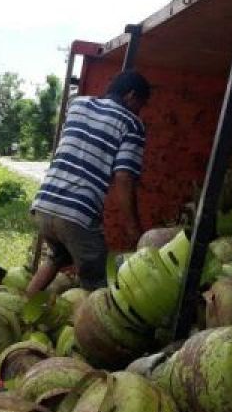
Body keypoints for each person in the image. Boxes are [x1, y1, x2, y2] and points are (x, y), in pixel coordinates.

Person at [27, 70, 150, 294]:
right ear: (131, 96)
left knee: (57, 256)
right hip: (77, 214)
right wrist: (134, 230)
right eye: (140, 105)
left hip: (43, 205)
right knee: (99, 287)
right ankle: (85, 326)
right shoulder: (132, 124)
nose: (139, 111)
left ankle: (24, 309)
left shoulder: (77, 105)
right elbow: (123, 178)